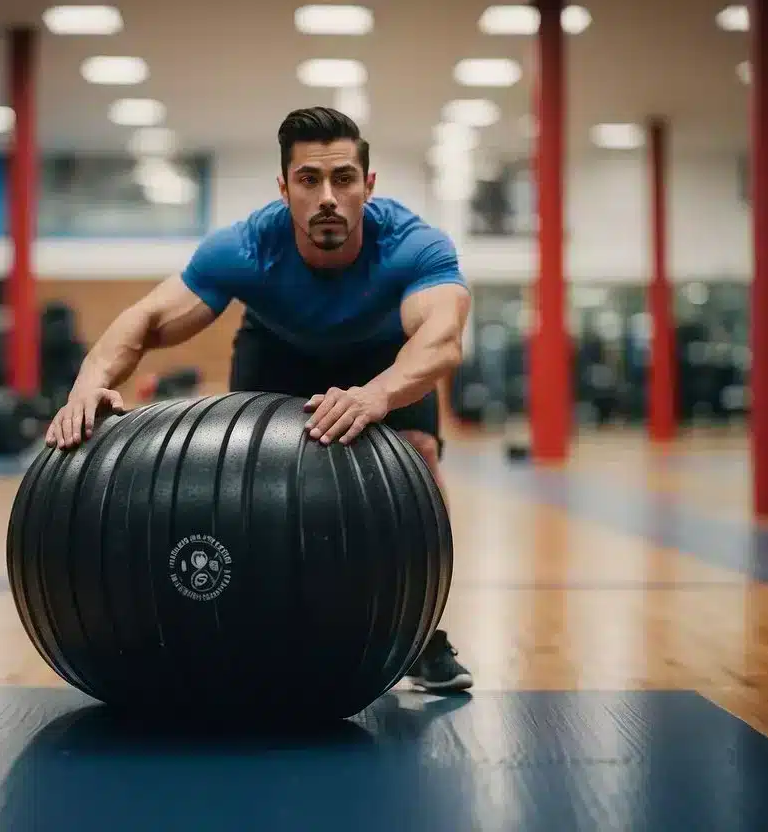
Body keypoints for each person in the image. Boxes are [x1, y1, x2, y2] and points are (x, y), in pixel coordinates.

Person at [45, 106, 474, 694]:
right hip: (277, 349)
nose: (328, 197)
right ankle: (247, 619)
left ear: (368, 186)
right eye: (309, 180)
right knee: (245, 477)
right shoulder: (245, 248)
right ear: (284, 188)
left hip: (382, 360)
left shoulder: (413, 246)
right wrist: (87, 384)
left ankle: (423, 635)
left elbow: (442, 341)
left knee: (419, 454)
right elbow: (147, 321)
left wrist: (376, 395)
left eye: (344, 178)